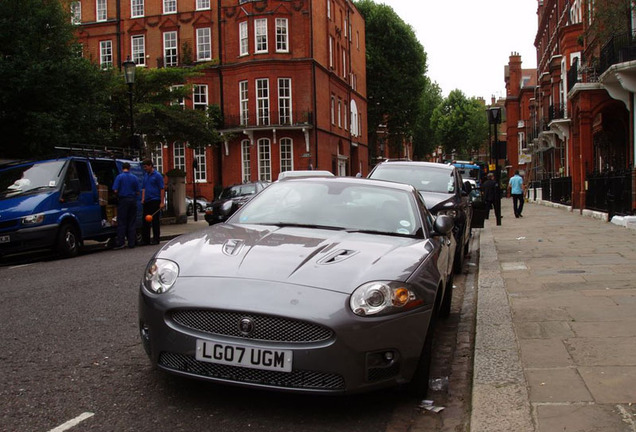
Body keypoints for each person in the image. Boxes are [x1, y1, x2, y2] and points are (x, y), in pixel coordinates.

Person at [112, 162, 140, 249]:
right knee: (131, 222)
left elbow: (115, 190)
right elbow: (138, 192)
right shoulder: (134, 177)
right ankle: (131, 243)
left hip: (123, 200)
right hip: (132, 201)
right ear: (129, 168)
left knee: (122, 222)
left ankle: (121, 242)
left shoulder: (119, 177)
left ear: (122, 168)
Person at [141, 159, 165, 245]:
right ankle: (145, 240)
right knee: (145, 221)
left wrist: (162, 202)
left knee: (155, 221)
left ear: (151, 165)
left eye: (146, 167)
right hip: (147, 201)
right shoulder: (145, 176)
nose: (145, 168)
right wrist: (143, 198)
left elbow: (162, 188)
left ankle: (156, 239)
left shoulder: (157, 176)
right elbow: (143, 188)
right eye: (144, 167)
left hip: (155, 200)